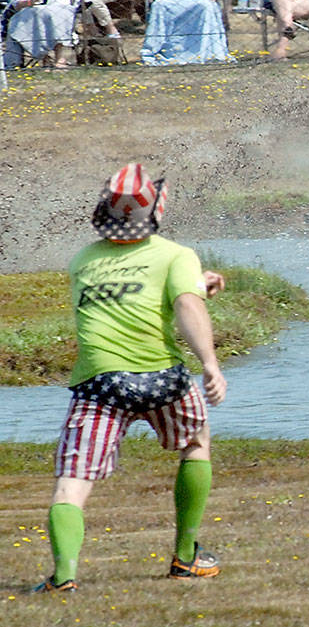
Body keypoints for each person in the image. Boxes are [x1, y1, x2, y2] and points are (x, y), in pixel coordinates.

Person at [27, 163, 227, 594]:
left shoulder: (82, 260)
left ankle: (63, 577)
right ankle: (186, 557)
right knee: (196, 444)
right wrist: (209, 362)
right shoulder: (176, 255)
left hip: (100, 384)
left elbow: (126, 296)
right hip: (164, 380)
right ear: (155, 210)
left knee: (72, 483)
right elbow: (185, 308)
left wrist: (193, 284)